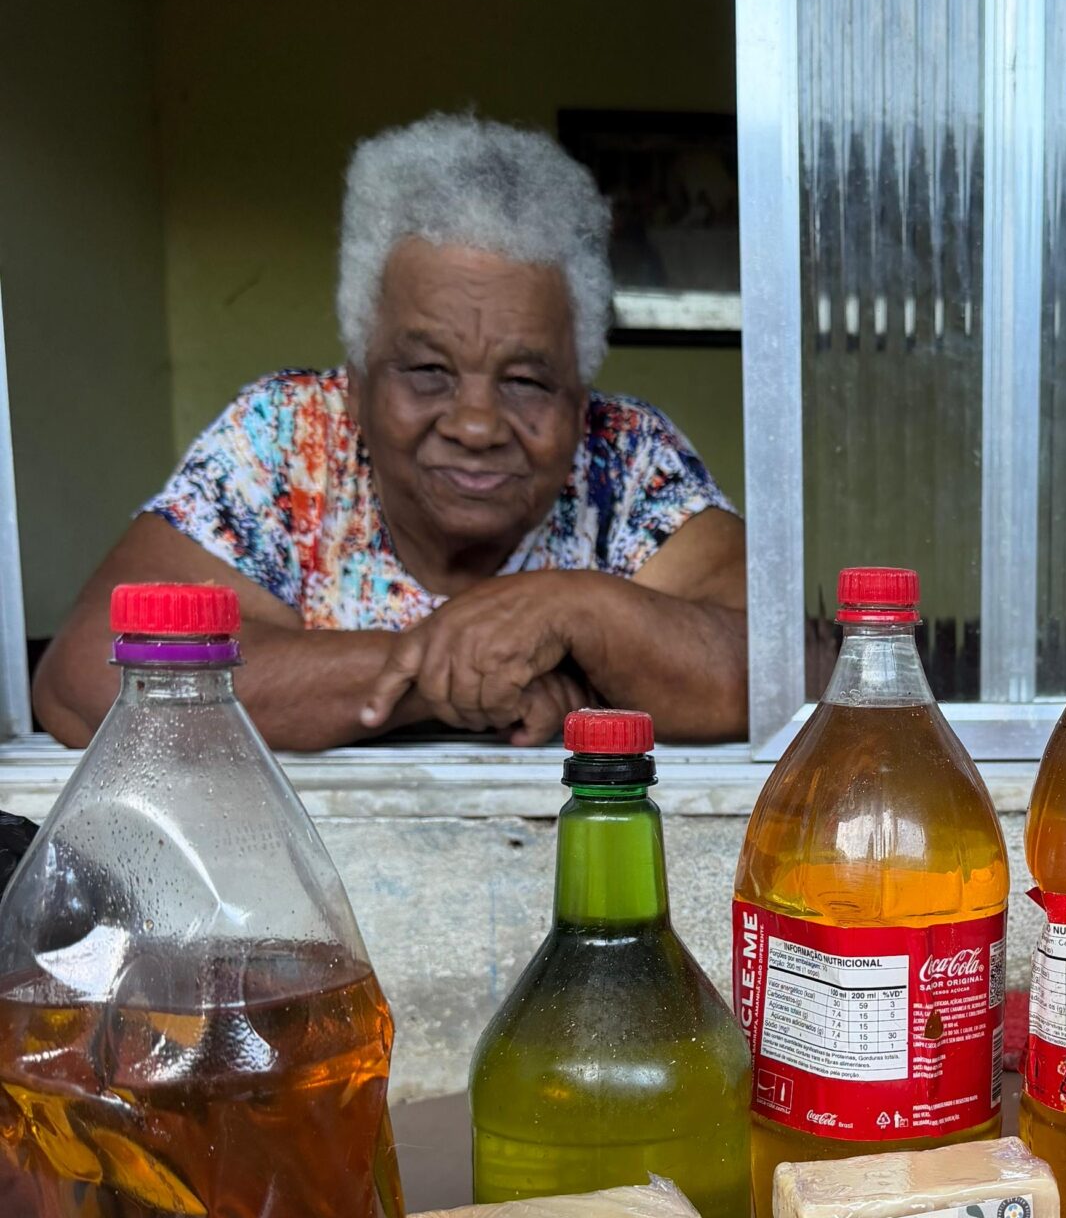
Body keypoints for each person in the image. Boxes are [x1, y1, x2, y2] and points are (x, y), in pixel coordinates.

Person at [34, 113, 747, 750]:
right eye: (427, 370)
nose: (476, 425)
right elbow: (89, 678)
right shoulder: (290, 438)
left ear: (580, 391)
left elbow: (774, 665)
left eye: (527, 381)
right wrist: (443, 676)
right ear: (358, 381)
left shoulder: (623, 456)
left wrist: (577, 606)